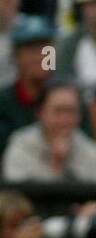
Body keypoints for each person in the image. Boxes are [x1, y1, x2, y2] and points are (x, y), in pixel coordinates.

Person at [2, 78, 96, 181]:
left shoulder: (91, 151)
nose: (64, 119)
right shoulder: (20, 145)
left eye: (71, 111)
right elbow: (15, 191)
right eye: (58, 111)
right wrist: (55, 164)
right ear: (40, 112)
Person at [0, 16, 59, 152]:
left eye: (46, 49)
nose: (40, 56)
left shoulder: (69, 97)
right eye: (32, 49)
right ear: (16, 56)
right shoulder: (3, 103)